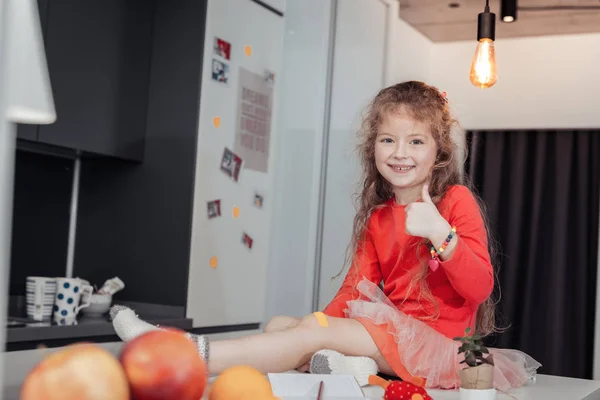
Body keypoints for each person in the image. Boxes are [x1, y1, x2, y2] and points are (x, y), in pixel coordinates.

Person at [110, 81, 540, 391]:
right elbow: (356, 287)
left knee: (306, 335)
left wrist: (440, 234)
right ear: (373, 148)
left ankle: (182, 353)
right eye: (388, 140)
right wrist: (317, 321)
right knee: (286, 325)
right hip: (390, 338)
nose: (400, 153)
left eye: (415, 141)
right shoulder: (378, 217)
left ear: (438, 152)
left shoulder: (455, 201)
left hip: (441, 348)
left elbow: (479, 287)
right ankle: (350, 369)